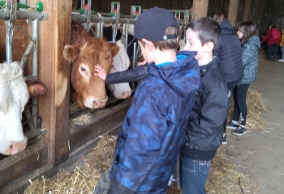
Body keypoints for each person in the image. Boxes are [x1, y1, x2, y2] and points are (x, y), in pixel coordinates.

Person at [93, 7, 201, 194]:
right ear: (176, 40)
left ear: (148, 45)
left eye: (141, 46)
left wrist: (119, 189)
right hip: (160, 175)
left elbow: (140, 151)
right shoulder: (187, 73)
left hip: (139, 184)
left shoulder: (153, 91)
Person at [179, 17, 229, 194]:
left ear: (208, 46)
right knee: (187, 187)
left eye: (191, 43)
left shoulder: (215, 83)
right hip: (189, 143)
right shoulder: (197, 70)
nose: (185, 48)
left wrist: (183, 135)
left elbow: (210, 124)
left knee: (193, 190)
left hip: (197, 149)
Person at [213, 12, 243, 144]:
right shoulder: (234, 37)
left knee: (222, 105)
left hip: (227, 76)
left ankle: (222, 135)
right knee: (226, 101)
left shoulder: (220, 39)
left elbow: (215, 60)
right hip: (236, 75)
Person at [228, 21, 261, 136]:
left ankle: (243, 125)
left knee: (241, 99)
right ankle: (234, 121)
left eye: (240, 31)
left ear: (246, 32)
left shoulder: (250, 45)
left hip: (245, 76)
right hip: (240, 74)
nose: (237, 32)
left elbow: (242, 61)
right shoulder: (245, 42)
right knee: (236, 97)